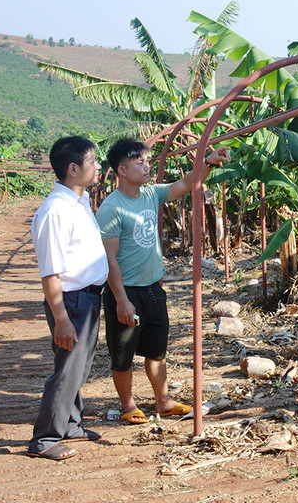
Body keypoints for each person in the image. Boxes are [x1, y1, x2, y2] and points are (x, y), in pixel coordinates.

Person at [97, 138, 229, 424]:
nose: (147, 167)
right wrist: (121, 300)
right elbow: (110, 260)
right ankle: (128, 405)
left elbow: (187, 182)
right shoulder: (111, 208)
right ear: (121, 170)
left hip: (153, 289)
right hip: (126, 291)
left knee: (157, 351)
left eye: (147, 161)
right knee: (123, 355)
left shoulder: (150, 195)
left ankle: (163, 401)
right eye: (140, 163)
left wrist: (207, 162)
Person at [28, 135, 108, 460]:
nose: (99, 166)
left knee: (79, 366)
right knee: (68, 370)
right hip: (71, 301)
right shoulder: (55, 211)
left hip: (88, 297)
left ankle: (72, 423)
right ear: (73, 169)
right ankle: (45, 439)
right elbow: (50, 272)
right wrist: (61, 318)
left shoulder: (81, 201)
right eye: (93, 162)